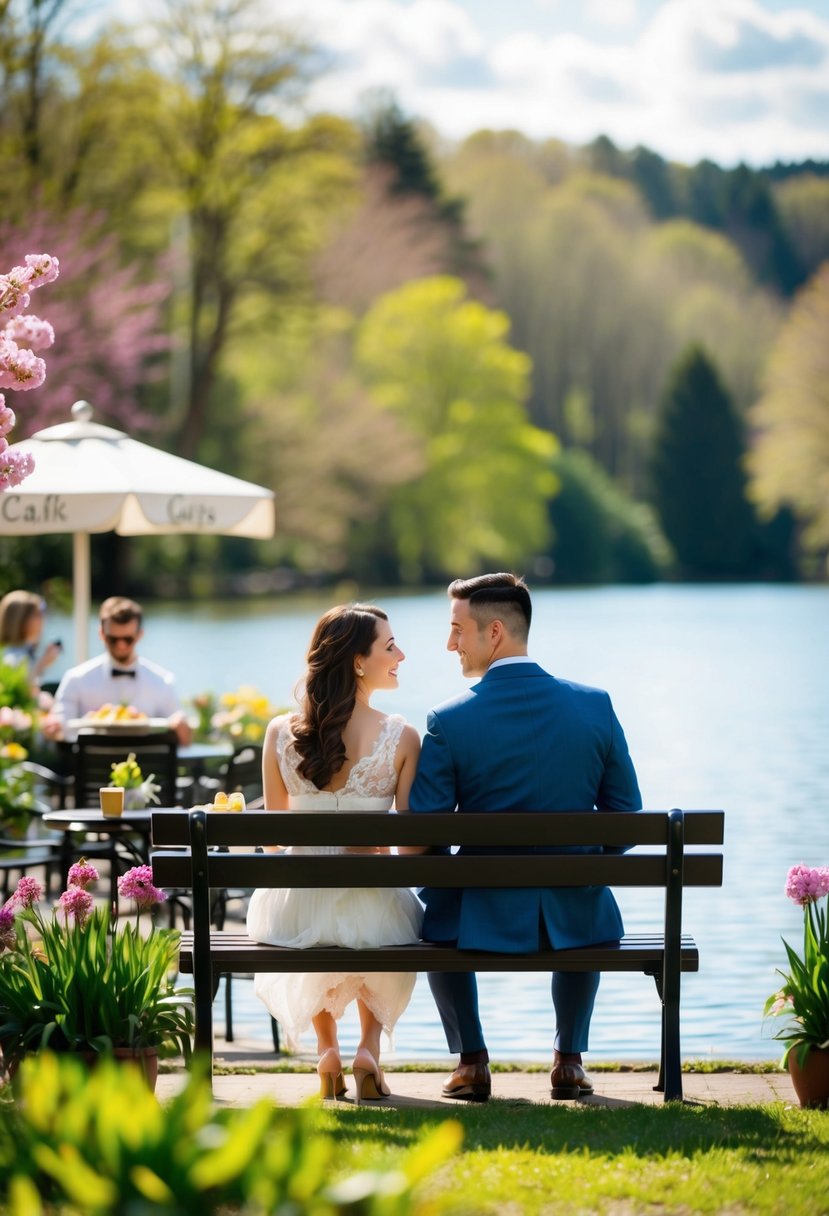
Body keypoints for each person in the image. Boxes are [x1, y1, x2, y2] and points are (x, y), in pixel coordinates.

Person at [407, 572, 641, 1102]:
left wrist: (455, 871)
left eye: (456, 630)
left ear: (494, 633)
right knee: (586, 901)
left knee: (436, 912)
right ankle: (569, 1061)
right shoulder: (595, 705)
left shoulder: (449, 718)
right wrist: (583, 861)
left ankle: (471, 1062)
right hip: (575, 914)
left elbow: (425, 832)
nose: (450, 644)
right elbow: (627, 816)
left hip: (477, 915)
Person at [246, 603, 423, 1102]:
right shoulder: (402, 736)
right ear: (357, 662)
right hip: (374, 898)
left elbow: (274, 840)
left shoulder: (281, 733)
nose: (401, 654)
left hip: (295, 906)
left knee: (319, 911)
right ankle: (368, 1049)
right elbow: (411, 843)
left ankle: (328, 1051)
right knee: (381, 912)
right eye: (390, 647)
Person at [43, 596, 192, 745]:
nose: (121, 645)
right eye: (113, 639)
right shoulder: (76, 678)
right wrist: (54, 726)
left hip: (146, 763)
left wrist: (181, 724)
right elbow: (60, 727)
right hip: (90, 764)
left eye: (128, 639)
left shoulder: (162, 680)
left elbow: (182, 738)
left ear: (140, 635)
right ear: (102, 634)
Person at [0, 590, 62, 692]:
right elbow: (16, 691)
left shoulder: (25, 650)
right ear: (21, 619)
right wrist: (42, 664)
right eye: (38, 614)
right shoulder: (10, 657)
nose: (43, 619)